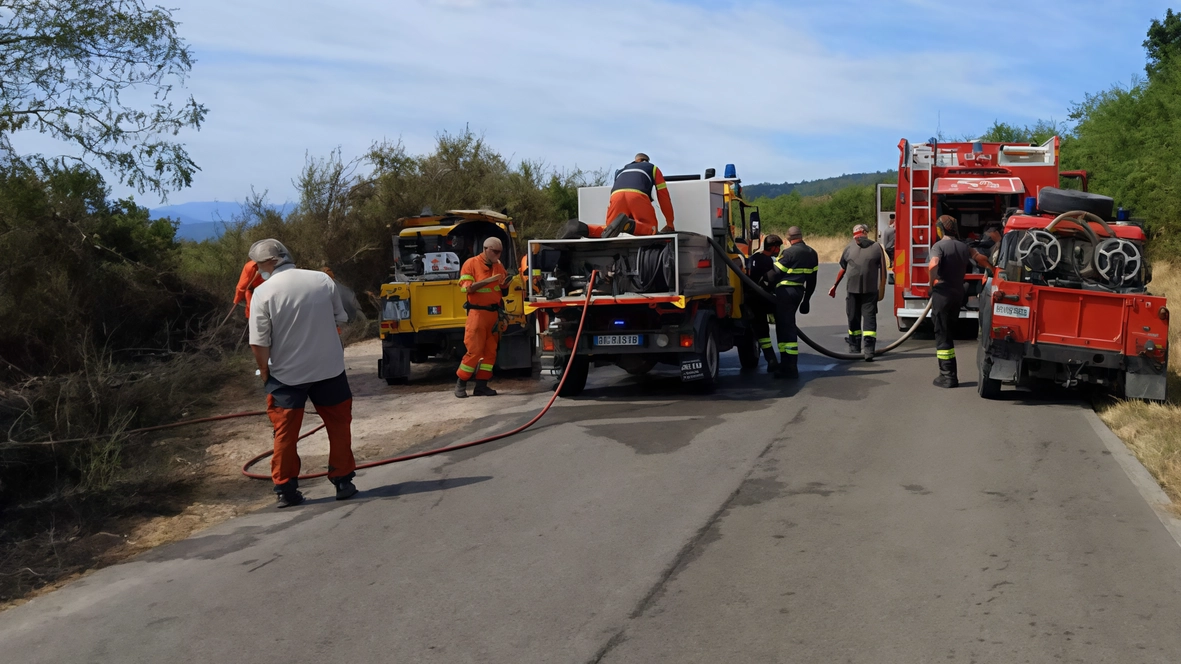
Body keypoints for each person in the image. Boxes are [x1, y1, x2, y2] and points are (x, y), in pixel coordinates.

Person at [248, 239, 357, 508]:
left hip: (286, 375)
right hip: (329, 369)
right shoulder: (321, 280)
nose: (258, 270)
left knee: (285, 434)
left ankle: (286, 490)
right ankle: (343, 482)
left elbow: (258, 342)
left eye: (259, 265)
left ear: (270, 263)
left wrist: (265, 373)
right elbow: (340, 318)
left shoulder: (264, 292)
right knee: (339, 426)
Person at [928, 216, 992, 388]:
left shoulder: (938, 246)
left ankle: (947, 376)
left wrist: (931, 283)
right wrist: (994, 270)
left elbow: (933, 264)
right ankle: (951, 374)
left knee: (942, 334)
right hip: (958, 293)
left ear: (940, 229)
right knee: (948, 333)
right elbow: (981, 258)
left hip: (942, 293)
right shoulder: (965, 246)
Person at [563, 153, 675, 239]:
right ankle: (628, 225)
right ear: (646, 161)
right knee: (651, 229)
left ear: (635, 161)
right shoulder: (653, 168)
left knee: (610, 229)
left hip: (616, 196)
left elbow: (618, 191)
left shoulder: (621, 171)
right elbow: (663, 196)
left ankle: (581, 228)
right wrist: (670, 223)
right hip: (638, 196)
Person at [456, 236, 510, 398]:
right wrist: (488, 281)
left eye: (500, 252)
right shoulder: (470, 264)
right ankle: (461, 383)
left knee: (490, 352)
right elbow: (468, 289)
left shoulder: (499, 267)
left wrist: (505, 284)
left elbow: (502, 290)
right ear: (486, 249)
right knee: (474, 351)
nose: (498, 255)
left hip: (493, 315)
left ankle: (481, 386)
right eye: (495, 252)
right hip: (477, 314)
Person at [766, 226, 818, 379]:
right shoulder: (811, 253)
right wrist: (806, 300)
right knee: (787, 325)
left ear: (788, 238)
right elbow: (812, 280)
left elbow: (774, 274)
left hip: (785, 293)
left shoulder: (788, 253)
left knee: (785, 328)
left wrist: (761, 282)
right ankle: (787, 364)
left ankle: (789, 366)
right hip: (799, 293)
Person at [828, 224, 884, 361]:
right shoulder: (875, 247)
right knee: (864, 318)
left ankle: (859, 348)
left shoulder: (852, 248)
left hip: (859, 290)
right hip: (865, 290)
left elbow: (843, 268)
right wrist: (880, 291)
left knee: (856, 317)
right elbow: (883, 272)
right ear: (865, 232)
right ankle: (865, 349)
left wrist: (835, 285)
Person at [746, 234, 783, 373]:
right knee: (782, 326)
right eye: (778, 247)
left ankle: (771, 359)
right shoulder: (768, 261)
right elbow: (771, 280)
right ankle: (780, 359)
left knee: (762, 332)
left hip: (753, 301)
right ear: (773, 247)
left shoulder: (753, 258)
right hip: (766, 300)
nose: (779, 249)